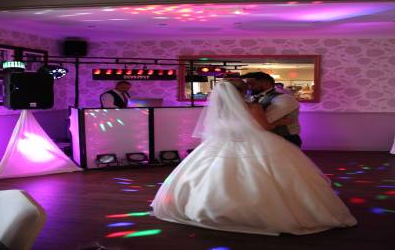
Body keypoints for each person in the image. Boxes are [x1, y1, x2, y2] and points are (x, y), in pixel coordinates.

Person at [151, 80, 357, 235]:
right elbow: (262, 127)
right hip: (254, 143)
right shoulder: (253, 106)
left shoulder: (219, 109)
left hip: (220, 145)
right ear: (242, 92)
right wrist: (280, 122)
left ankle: (209, 209)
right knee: (272, 177)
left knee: (213, 178)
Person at [241, 72, 302, 147]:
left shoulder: (284, 98)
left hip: (284, 139)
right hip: (263, 140)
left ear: (265, 83)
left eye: (250, 84)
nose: (247, 87)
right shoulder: (250, 98)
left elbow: (263, 121)